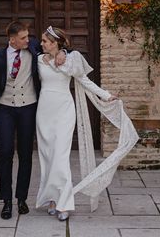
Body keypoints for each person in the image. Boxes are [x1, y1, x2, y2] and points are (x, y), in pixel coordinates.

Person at [35, 26, 138, 221]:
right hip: (44, 112)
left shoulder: (71, 60)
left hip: (64, 110)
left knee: (60, 157)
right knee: (47, 157)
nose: (41, 43)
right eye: (41, 41)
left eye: (45, 41)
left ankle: (64, 203)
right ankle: (52, 199)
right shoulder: (38, 59)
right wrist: (62, 50)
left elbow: (86, 81)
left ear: (55, 43)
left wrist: (106, 96)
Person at [0, 21, 66, 220]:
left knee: (26, 154)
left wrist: (63, 53)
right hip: (4, 108)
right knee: (5, 152)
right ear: (12, 39)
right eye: (24, 37)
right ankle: (7, 201)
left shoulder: (33, 47)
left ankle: (21, 198)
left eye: (28, 36)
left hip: (28, 108)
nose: (29, 39)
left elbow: (60, 44)